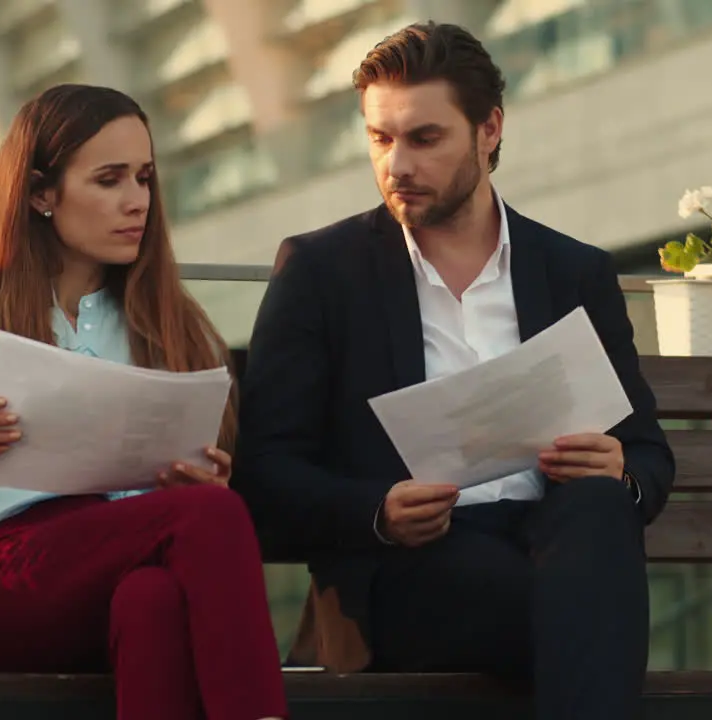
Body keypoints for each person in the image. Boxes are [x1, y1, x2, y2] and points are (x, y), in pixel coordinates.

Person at [232, 21, 674, 720]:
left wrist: (617, 466)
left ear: (489, 129)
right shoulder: (321, 273)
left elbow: (649, 457)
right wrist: (377, 511)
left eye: (424, 138)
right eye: (381, 138)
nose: (397, 164)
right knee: (584, 609)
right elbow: (263, 476)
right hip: (405, 570)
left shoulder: (572, 272)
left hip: (551, 543)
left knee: (595, 510)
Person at [0, 84, 287, 720]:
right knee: (208, 516)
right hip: (7, 581)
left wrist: (200, 476)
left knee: (151, 600)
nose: (137, 201)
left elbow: (188, 508)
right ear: (41, 193)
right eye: (109, 179)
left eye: (145, 178)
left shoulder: (174, 326)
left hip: (132, 566)